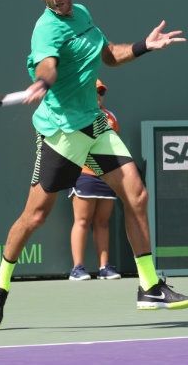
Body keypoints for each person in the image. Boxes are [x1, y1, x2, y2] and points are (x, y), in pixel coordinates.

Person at [0, 0, 188, 331]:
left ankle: (149, 286)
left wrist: (145, 45)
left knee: (136, 195)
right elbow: (47, 65)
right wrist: (44, 82)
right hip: (62, 134)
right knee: (34, 217)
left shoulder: (82, 13)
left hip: (93, 124)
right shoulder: (45, 29)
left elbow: (108, 55)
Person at [68, 79, 121, 282]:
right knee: (82, 221)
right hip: (83, 174)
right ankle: (77, 268)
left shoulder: (110, 117)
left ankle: (104, 267)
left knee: (102, 222)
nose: (98, 96)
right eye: (93, 92)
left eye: (100, 92)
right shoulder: (75, 117)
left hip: (107, 177)